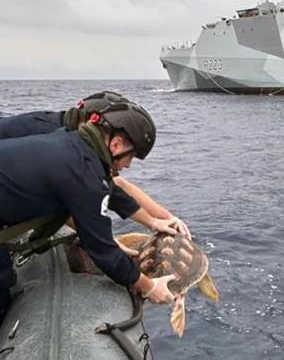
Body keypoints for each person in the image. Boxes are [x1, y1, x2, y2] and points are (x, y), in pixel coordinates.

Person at [0, 101, 175, 324]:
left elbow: (109, 190)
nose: (128, 165)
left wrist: (153, 222)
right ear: (117, 144)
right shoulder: (82, 174)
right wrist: (150, 287)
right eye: (131, 157)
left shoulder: (71, 144)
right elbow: (103, 253)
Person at [0, 92, 190, 240]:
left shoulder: (70, 138)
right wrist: (106, 242)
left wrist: (164, 220)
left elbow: (112, 184)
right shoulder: (54, 141)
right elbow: (72, 196)